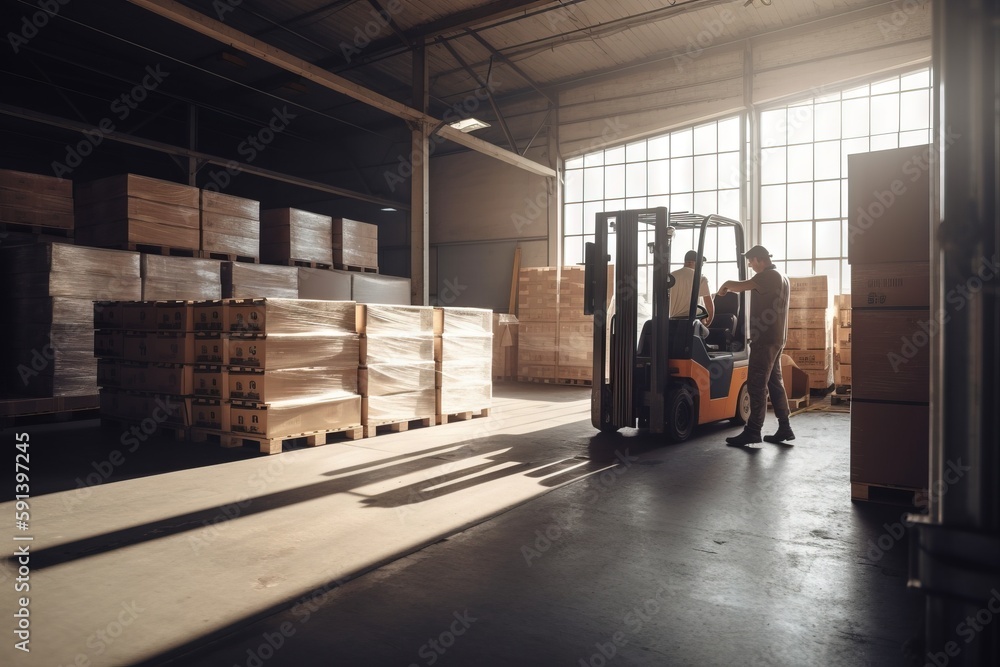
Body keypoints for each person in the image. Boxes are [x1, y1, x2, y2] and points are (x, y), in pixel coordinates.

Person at [716, 245, 796, 446]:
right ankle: (785, 428)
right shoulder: (782, 276)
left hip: (765, 340)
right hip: (776, 338)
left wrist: (725, 284)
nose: (750, 264)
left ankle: (753, 431)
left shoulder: (768, 276)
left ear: (760, 259)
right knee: (775, 384)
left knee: (756, 384)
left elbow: (742, 285)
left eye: (751, 261)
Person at [670, 249, 715, 337]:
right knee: (706, 333)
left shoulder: (671, 276)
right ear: (693, 262)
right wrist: (709, 321)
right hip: (693, 321)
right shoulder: (700, 278)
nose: (701, 265)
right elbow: (708, 303)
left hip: (674, 322)